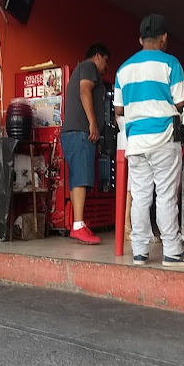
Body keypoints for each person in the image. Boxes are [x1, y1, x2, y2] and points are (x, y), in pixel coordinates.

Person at [114, 14, 184, 267]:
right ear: (164, 38)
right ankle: (172, 251)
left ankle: (139, 252)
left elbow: (119, 109)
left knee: (140, 196)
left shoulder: (123, 68)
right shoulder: (170, 63)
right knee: (165, 195)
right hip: (164, 137)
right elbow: (182, 101)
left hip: (136, 141)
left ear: (141, 39)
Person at [61, 43, 110, 244]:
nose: (106, 66)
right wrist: (92, 123)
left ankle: (77, 223)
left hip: (71, 133)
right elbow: (85, 91)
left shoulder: (79, 69)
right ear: (97, 56)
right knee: (81, 177)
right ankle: (79, 225)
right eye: (105, 60)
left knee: (76, 178)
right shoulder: (89, 67)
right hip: (81, 132)